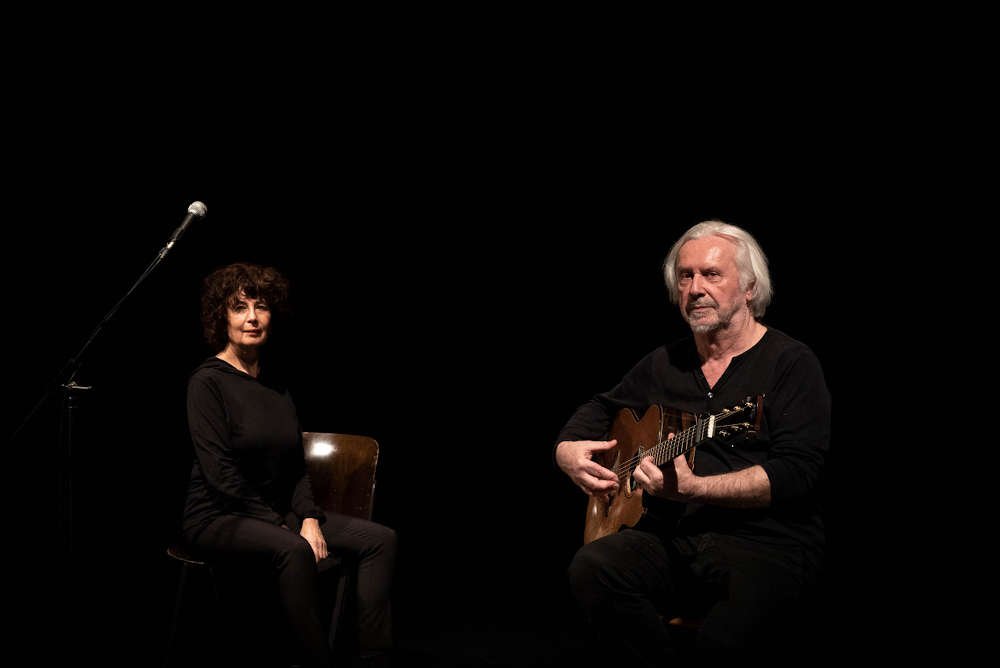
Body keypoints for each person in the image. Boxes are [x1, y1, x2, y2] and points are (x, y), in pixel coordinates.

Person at [555, 220, 830, 662]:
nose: (695, 288)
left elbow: (797, 474)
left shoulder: (790, 363)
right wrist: (566, 450)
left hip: (767, 544)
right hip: (675, 538)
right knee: (594, 568)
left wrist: (695, 489)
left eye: (711, 274)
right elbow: (601, 407)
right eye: (686, 276)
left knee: (722, 642)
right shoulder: (665, 361)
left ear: (749, 288)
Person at [179, 262, 396, 667]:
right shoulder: (206, 382)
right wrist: (283, 524)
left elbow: (295, 466)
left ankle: (373, 658)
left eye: (260, 307)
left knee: (380, 539)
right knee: (293, 549)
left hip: (276, 512)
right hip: (216, 516)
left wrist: (309, 517)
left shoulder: (276, 386)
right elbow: (219, 474)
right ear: (220, 317)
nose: (252, 318)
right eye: (239, 307)